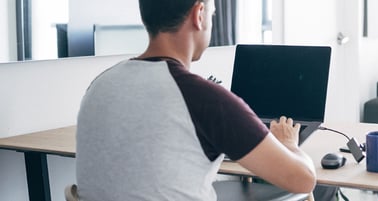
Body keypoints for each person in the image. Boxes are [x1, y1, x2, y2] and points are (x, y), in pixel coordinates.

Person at [75, 0, 316, 200]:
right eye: (212, 13)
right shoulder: (205, 99)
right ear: (199, 15)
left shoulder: (98, 86)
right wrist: (289, 143)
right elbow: (304, 179)